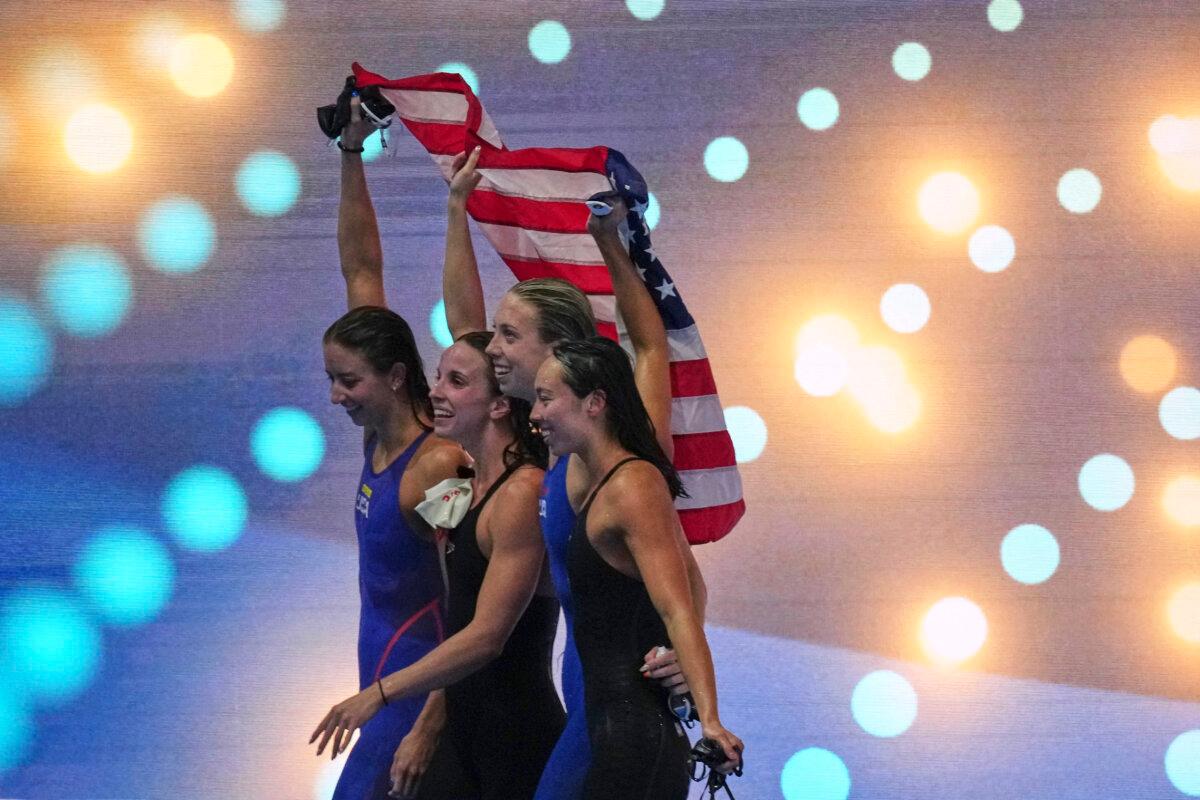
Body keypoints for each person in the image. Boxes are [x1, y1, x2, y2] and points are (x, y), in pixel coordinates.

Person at [440, 149, 705, 799]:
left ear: (556, 350)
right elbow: (464, 326)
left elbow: (650, 346)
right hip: (589, 704)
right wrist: (455, 211)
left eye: (509, 336)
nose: (492, 349)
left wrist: (609, 240)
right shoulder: (543, 433)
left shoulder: (614, 450)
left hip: (622, 711)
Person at [312, 331, 565, 799]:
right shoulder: (463, 488)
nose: (434, 393)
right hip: (462, 725)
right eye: (438, 377)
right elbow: (449, 599)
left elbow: (484, 637)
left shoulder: (520, 492)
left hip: (513, 736)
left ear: (499, 405)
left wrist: (384, 696)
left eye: (456, 382)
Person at [314, 96, 466, 800]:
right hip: (380, 690)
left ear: (396, 376)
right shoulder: (380, 433)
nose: (335, 396)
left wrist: (430, 725)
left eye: (348, 382)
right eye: (332, 379)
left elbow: (475, 605)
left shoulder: (438, 467)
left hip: (412, 704)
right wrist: (351, 152)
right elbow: (361, 269)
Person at [531, 336, 743, 798]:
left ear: (594, 403)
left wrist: (710, 719)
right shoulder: (594, 481)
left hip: (635, 744)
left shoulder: (634, 485)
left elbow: (677, 608)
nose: (535, 413)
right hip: (615, 734)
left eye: (546, 399)